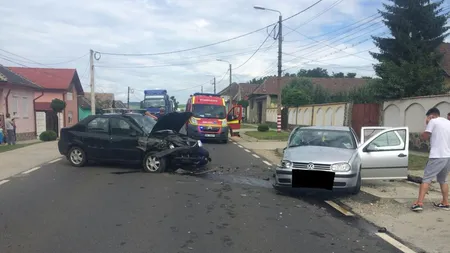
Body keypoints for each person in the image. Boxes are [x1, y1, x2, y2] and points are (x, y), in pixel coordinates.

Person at [411, 107, 450, 211]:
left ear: (431, 115)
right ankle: (445, 202)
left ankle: (419, 203)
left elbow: (425, 136)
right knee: (443, 180)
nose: (427, 120)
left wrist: (426, 127)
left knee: (426, 179)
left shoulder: (433, 121)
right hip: (447, 156)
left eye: (427, 118)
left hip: (437, 156)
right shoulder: (448, 123)